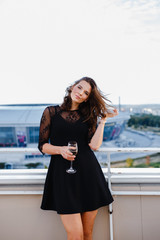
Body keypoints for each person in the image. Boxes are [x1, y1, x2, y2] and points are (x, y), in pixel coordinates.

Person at [38, 77, 118, 240]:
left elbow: (94, 146)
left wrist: (102, 120)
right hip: (62, 175)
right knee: (75, 234)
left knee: (87, 234)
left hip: (88, 175)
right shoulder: (50, 112)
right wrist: (60, 150)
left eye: (86, 92)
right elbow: (42, 145)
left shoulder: (89, 116)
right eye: (79, 87)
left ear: (88, 97)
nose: (81, 93)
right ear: (73, 86)